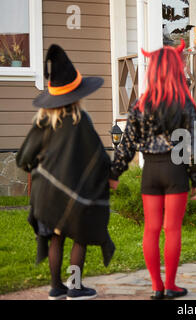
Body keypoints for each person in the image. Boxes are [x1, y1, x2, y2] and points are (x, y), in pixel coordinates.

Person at [16, 44, 115, 300]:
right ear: (78, 94)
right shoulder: (82, 121)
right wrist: (109, 176)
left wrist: (39, 169)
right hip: (74, 195)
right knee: (79, 237)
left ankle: (55, 288)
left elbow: (23, 159)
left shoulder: (42, 123)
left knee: (55, 239)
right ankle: (75, 287)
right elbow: (99, 158)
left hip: (45, 196)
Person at [109, 39, 196, 300]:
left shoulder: (141, 103)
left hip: (150, 169)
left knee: (151, 229)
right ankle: (171, 285)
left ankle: (156, 287)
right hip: (174, 169)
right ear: (176, 68)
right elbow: (191, 147)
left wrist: (114, 173)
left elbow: (127, 143)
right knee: (172, 229)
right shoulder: (184, 103)